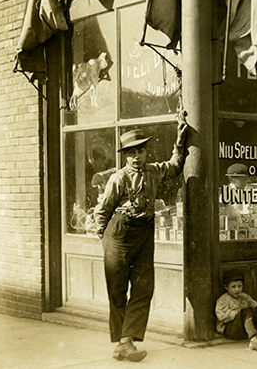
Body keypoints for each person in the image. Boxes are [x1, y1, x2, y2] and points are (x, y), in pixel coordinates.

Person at [94, 121, 187, 362]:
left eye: (140, 151)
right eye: (131, 153)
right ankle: (123, 341)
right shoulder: (118, 179)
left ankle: (126, 341)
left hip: (144, 231)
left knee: (144, 287)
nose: (137, 157)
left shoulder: (155, 170)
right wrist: (105, 238)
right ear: (125, 156)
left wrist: (179, 142)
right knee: (117, 289)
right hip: (119, 233)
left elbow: (176, 166)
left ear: (146, 152)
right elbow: (102, 212)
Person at [215, 271, 257, 352]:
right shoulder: (223, 299)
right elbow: (222, 317)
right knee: (246, 311)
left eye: (240, 286)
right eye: (233, 287)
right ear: (226, 287)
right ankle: (254, 341)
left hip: (246, 330)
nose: (237, 289)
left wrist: (248, 300)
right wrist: (239, 309)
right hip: (232, 331)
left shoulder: (243, 296)